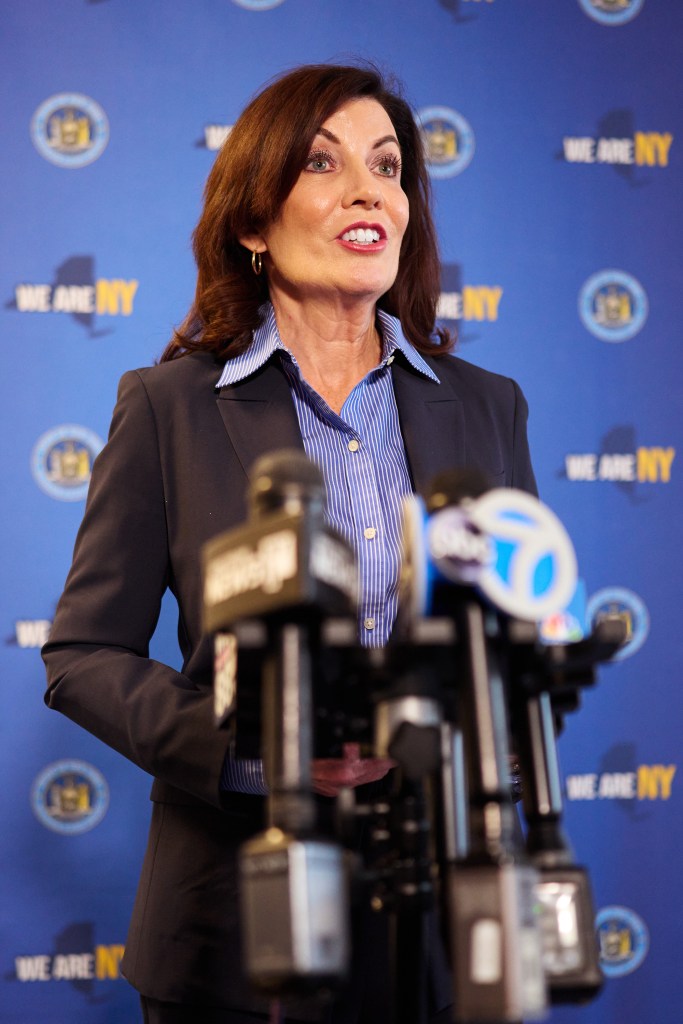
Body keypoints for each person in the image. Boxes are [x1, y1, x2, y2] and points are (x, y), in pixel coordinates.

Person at [42, 63, 537, 1024]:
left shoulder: (488, 407)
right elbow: (81, 655)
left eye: (388, 167)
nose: (368, 190)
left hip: (437, 932)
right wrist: (250, 754)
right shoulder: (171, 407)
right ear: (253, 224)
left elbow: (517, 647)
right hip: (231, 936)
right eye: (323, 162)